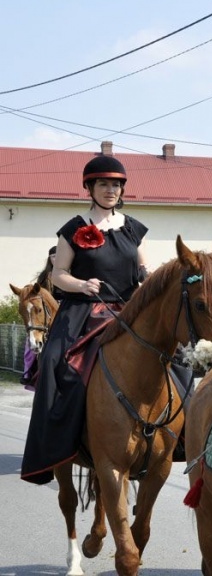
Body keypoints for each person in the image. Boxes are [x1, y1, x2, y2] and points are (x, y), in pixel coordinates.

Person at [21, 155, 149, 484]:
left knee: (174, 357)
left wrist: (155, 281)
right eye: (104, 184)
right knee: (52, 362)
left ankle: (178, 436)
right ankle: (52, 446)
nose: (111, 190)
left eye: (116, 184)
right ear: (89, 188)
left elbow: (143, 271)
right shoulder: (73, 229)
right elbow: (59, 274)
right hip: (81, 311)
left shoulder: (133, 228)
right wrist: (81, 284)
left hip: (125, 309)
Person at [20, 246, 61, 389]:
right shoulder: (44, 276)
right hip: (46, 309)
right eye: (53, 257)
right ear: (49, 259)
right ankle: (28, 373)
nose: (56, 259)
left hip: (67, 307)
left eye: (58, 256)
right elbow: (37, 295)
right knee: (30, 341)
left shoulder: (70, 273)